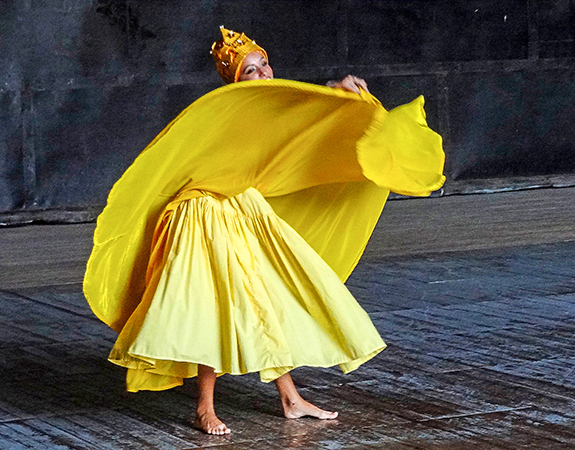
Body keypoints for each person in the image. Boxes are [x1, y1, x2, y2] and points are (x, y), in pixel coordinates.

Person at [84, 27, 445, 436]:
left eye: (263, 63)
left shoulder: (265, 101)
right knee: (216, 308)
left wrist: (333, 92)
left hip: (240, 206)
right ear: (237, 81)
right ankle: (205, 407)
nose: (262, 74)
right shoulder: (230, 107)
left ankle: (290, 399)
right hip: (202, 211)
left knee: (264, 299)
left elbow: (296, 120)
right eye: (250, 70)